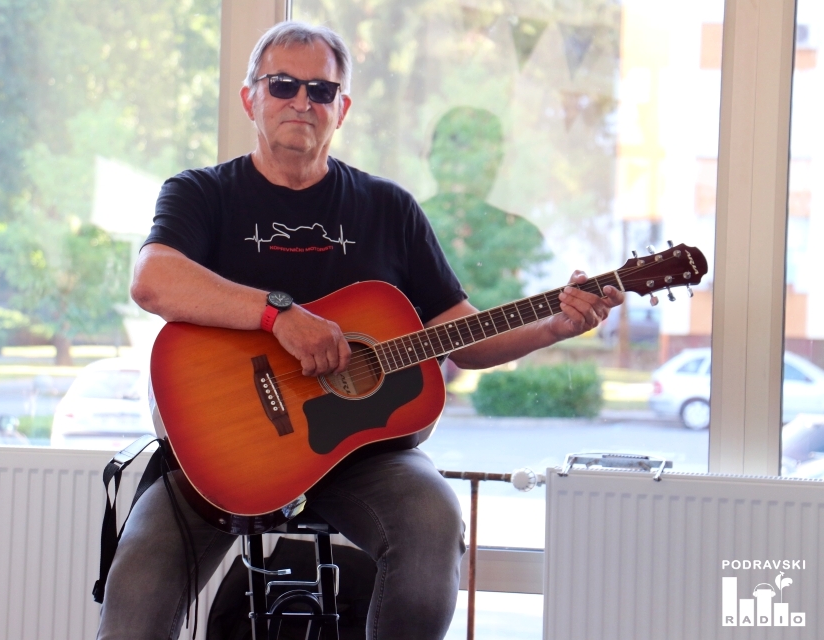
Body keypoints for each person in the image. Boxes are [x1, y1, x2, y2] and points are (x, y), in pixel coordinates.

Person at [97, 21, 623, 640]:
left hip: (362, 459)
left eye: (321, 90)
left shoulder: (388, 209)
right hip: (223, 450)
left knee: (432, 521)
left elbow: (461, 335)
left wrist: (554, 325)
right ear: (250, 98)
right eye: (283, 85)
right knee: (133, 609)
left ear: (341, 109)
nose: (302, 101)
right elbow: (153, 280)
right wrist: (278, 315)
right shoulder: (201, 193)